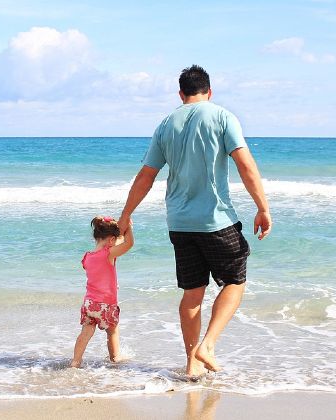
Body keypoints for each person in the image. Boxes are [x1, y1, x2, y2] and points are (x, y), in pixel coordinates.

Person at [118, 65, 271, 375]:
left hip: (179, 223)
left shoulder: (165, 125)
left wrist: (126, 215)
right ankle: (208, 345)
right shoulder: (222, 116)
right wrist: (263, 207)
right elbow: (245, 164)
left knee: (192, 293)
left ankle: (191, 365)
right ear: (209, 92)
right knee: (235, 281)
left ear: (181, 94)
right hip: (214, 220)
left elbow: (146, 176)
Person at [70, 216, 134, 368]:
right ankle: (115, 358)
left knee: (85, 333)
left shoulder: (87, 257)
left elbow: (113, 244)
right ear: (111, 240)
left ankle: (75, 362)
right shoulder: (108, 254)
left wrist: (118, 233)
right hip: (106, 304)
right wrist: (129, 228)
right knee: (112, 331)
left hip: (89, 304)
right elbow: (129, 244)